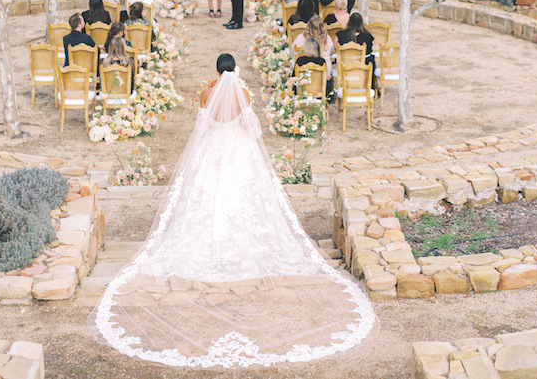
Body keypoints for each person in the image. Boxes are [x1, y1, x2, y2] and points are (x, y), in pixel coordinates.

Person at [89, 53, 376, 367]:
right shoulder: (241, 93)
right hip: (239, 149)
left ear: (216, 70)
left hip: (213, 150)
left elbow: (201, 131)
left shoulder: (206, 94)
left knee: (205, 198)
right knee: (248, 198)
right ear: (234, 70)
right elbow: (252, 128)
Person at [337, 11, 376, 88]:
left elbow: (336, 47)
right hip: (363, 65)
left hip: (346, 64)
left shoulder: (341, 34)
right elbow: (372, 49)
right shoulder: (367, 35)